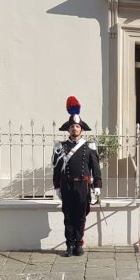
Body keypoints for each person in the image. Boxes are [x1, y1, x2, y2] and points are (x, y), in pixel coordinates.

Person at [52, 96, 102, 257]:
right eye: (72, 126)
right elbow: (56, 169)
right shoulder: (61, 147)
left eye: (77, 126)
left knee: (80, 217)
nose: (75, 129)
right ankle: (69, 245)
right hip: (66, 185)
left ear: (81, 129)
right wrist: (57, 186)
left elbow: (95, 168)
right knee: (67, 216)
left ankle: (79, 244)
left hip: (82, 186)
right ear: (68, 129)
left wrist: (97, 186)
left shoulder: (89, 147)